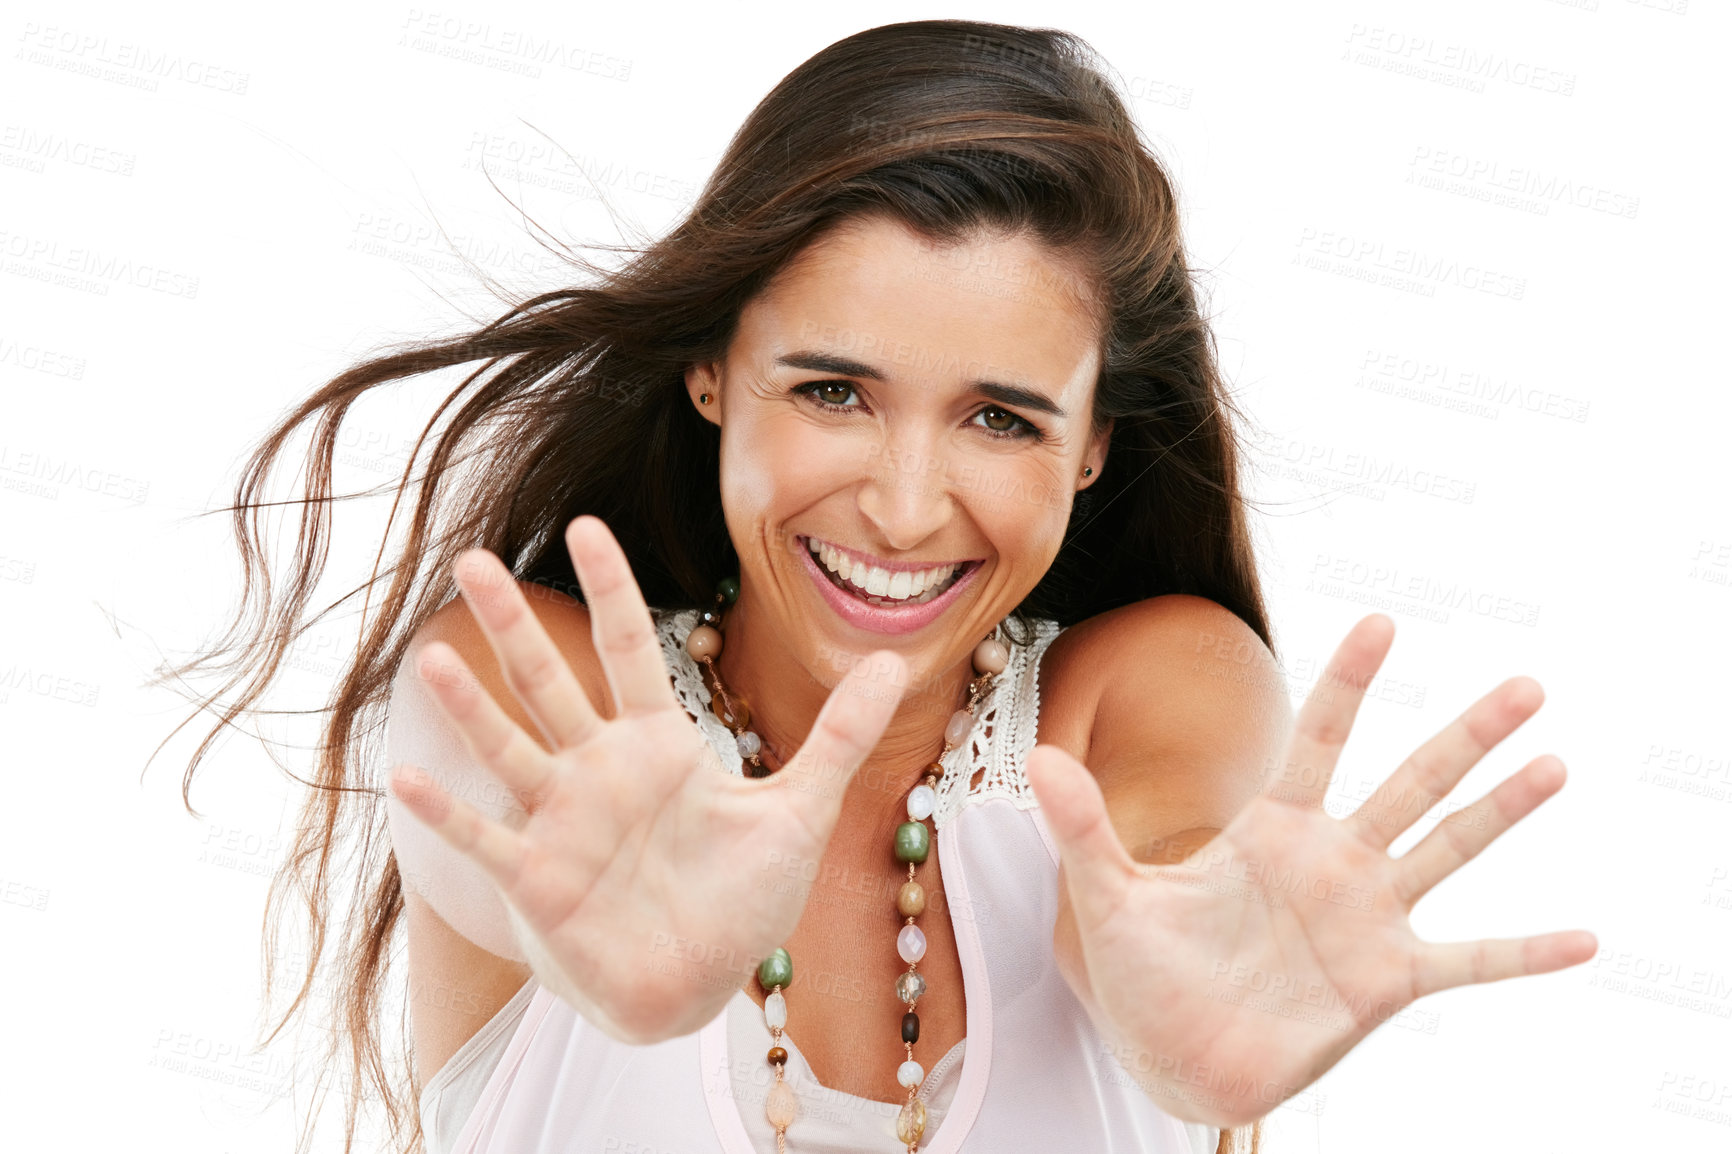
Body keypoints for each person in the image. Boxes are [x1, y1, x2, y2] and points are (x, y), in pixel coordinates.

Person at [164, 19, 1596, 1154]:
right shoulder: (538, 673)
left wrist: (1180, 1024)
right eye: (835, 389)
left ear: (1094, 446)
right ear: (713, 370)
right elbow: (488, 787)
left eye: (1001, 418)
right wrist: (588, 939)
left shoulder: (1148, 684)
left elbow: (1157, 879)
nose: (906, 508)